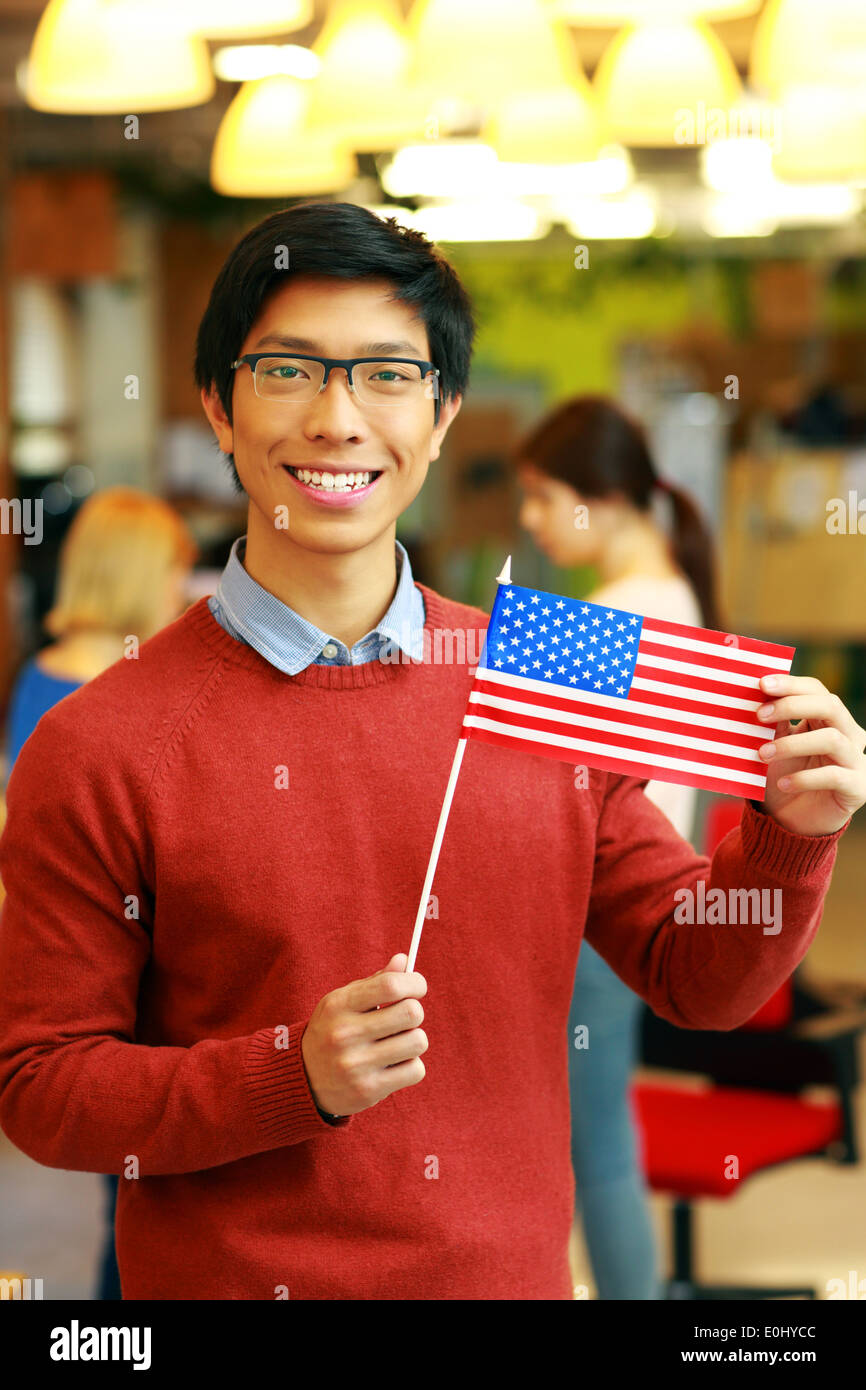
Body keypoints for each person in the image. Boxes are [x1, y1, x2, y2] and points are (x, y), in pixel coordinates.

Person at [0, 201, 863, 1301]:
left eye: (388, 375)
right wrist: (286, 1076)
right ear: (217, 405)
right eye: (287, 370)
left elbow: (695, 977)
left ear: (444, 413)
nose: (338, 417)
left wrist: (790, 838)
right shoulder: (100, 741)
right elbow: (43, 1087)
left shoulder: (543, 676)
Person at [516, 395, 717, 1298]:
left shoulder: (610, 619)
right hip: (643, 896)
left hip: (595, 912)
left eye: (542, 497)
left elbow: (518, 775)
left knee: (591, 1146)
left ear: (599, 496)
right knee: (603, 1135)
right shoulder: (672, 590)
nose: (532, 519)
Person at [2, 487, 197, 1299]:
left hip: (70, 951)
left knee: (117, 1167)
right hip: (135, 945)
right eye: (179, 574)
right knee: (144, 1176)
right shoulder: (118, 689)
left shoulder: (39, 674)